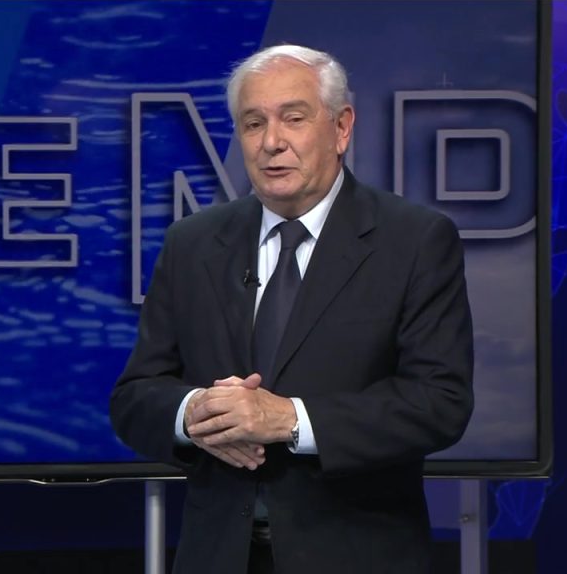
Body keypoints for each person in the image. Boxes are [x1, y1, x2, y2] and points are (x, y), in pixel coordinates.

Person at [109, 44, 474, 574]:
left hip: (356, 556)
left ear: (341, 128)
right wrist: (196, 414)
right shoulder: (192, 244)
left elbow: (440, 403)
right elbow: (134, 397)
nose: (271, 142)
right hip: (219, 556)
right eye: (253, 123)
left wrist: (290, 420)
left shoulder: (414, 241)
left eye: (293, 118)